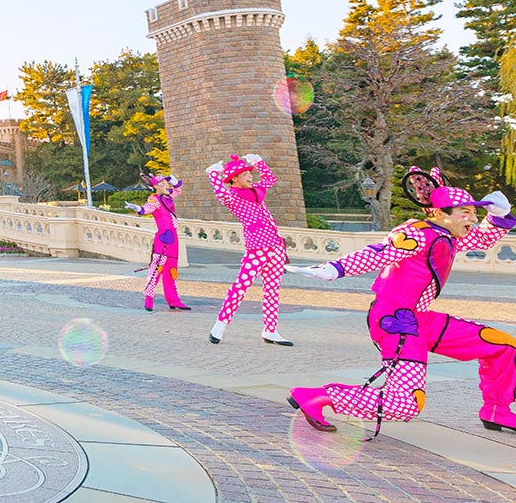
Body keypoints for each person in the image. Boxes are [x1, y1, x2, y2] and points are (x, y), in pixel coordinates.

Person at [285, 175, 516, 435]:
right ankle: (316, 396)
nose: (473, 219)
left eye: (474, 213)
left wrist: (499, 216)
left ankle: (498, 411)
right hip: (396, 323)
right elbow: (382, 252)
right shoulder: (417, 234)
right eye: (466, 212)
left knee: (502, 345)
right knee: (406, 403)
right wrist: (333, 269)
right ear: (441, 214)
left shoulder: (447, 234)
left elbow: (481, 240)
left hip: (419, 319)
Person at [206, 154, 291, 345]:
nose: (250, 177)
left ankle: (270, 330)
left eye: (249, 173)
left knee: (272, 289)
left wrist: (258, 163)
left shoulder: (257, 190)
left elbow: (270, 179)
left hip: (275, 246)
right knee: (240, 287)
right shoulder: (233, 197)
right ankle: (219, 325)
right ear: (234, 178)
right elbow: (220, 193)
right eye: (245, 174)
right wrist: (212, 173)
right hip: (257, 248)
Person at [126, 173, 189, 312]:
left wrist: (175, 181)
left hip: (173, 238)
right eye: (163, 184)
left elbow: (178, 190)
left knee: (172, 269)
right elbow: (147, 209)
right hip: (164, 237)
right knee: (157, 268)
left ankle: (174, 299)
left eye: (167, 184)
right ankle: (149, 297)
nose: (166, 186)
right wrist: (138, 209)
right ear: (155, 187)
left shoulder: (168, 196)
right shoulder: (154, 199)